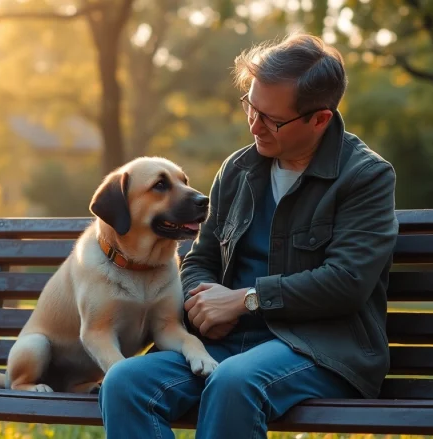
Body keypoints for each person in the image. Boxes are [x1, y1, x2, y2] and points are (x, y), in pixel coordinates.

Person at [98, 32, 399, 439]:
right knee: (126, 383)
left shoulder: (366, 177)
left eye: (272, 119)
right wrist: (203, 302)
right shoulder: (238, 169)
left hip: (321, 349)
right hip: (228, 345)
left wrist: (245, 300)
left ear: (320, 119)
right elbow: (200, 257)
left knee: (235, 382)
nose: (255, 125)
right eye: (250, 108)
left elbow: (347, 281)